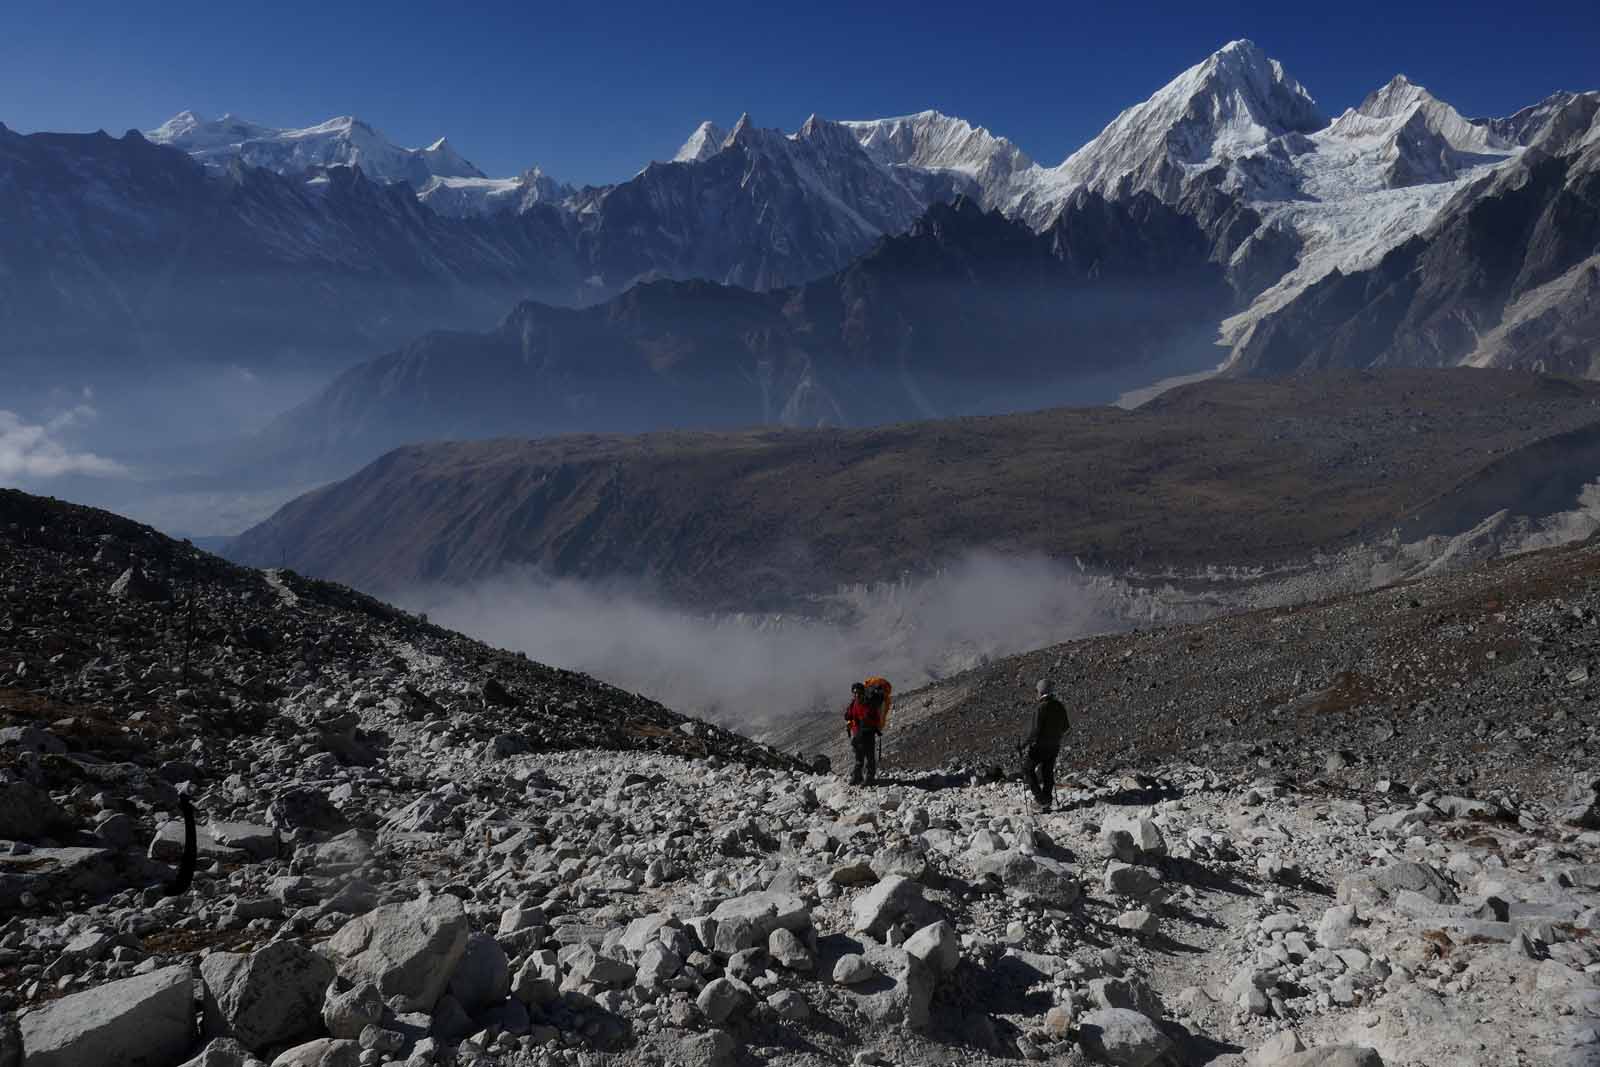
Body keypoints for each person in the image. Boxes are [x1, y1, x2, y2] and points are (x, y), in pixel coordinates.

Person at [1019, 678, 1070, 811]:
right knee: (1047, 771)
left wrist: (1023, 744)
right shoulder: (1059, 706)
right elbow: (1065, 726)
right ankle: (1047, 799)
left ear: (1040, 691)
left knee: (1027, 769)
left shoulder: (1041, 707)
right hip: (1055, 745)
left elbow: (1035, 731)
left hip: (1041, 746)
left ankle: (1041, 799)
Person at [844, 682, 885, 785]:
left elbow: (867, 718)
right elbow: (849, 714)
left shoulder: (868, 703)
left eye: (858, 692)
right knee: (859, 756)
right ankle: (858, 776)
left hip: (868, 733)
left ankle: (869, 777)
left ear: (862, 692)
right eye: (854, 692)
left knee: (869, 756)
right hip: (858, 733)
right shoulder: (854, 703)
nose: (856, 694)